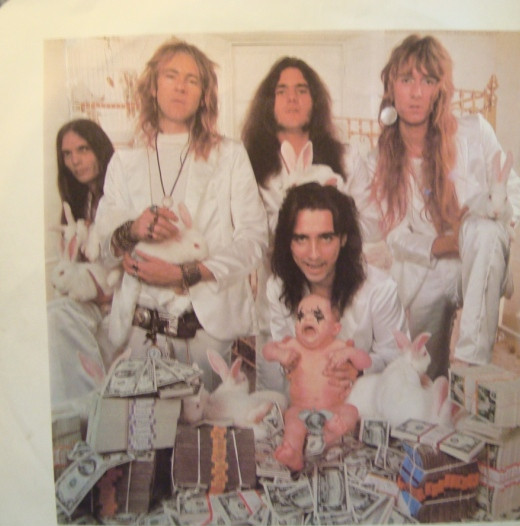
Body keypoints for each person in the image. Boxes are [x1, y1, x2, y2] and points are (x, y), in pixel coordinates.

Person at [94, 39, 267, 391]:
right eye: (171, 76)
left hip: (209, 335)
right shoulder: (125, 161)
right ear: (153, 87)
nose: (180, 87)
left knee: (214, 423)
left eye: (192, 79)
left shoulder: (230, 155)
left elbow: (254, 240)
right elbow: (101, 249)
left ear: (204, 94)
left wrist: (185, 273)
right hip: (139, 335)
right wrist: (132, 230)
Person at [368, 34, 520, 379]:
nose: (416, 92)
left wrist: (499, 224)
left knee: (484, 231)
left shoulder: (475, 131)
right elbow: (396, 237)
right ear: (391, 87)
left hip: (479, 258)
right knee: (422, 374)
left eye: (428, 80)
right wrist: (448, 244)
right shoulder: (380, 158)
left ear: (440, 88)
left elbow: (511, 189)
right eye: (406, 79)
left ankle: (471, 364)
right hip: (427, 269)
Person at [241, 56, 376, 390]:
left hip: (334, 297)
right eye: (282, 91)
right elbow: (247, 228)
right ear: (268, 102)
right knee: (278, 390)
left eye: (302, 90)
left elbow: (369, 222)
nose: (292, 99)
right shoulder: (248, 164)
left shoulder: (345, 157)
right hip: (276, 294)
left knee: (330, 385)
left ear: (315, 100)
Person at [267, 183, 408, 395]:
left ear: (343, 239)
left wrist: (358, 370)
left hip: (368, 401)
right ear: (288, 242)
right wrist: (288, 362)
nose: (314, 254)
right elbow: (281, 353)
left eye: (325, 238)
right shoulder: (277, 288)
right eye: (301, 238)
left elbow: (398, 357)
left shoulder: (380, 289)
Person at [47, 119, 116, 405]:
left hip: (114, 297)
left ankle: (88, 404)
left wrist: (104, 295)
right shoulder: (79, 201)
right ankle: (74, 407)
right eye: (67, 154)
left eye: (83, 149)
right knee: (54, 314)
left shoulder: (117, 195)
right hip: (92, 298)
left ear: (99, 149)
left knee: (59, 317)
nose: (75, 161)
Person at [263, 293, 372, 471]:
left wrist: (351, 354)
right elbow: (267, 351)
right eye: (301, 316)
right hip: (301, 408)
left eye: (317, 316)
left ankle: (328, 436)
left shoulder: (339, 347)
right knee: (292, 420)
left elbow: (366, 362)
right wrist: (279, 354)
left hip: (332, 410)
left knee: (350, 411)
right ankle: (294, 452)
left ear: (335, 329)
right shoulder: (294, 346)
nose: (307, 319)